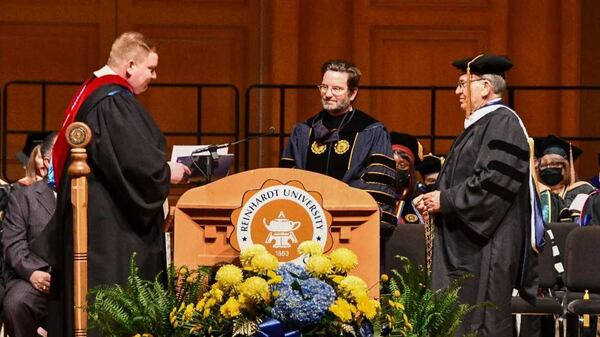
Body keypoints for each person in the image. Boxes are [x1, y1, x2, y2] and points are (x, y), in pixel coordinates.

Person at [41, 31, 190, 337]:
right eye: (150, 69)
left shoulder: (93, 91)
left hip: (93, 215)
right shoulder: (113, 101)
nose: (154, 76)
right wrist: (165, 172)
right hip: (108, 227)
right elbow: (134, 164)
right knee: (111, 305)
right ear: (130, 65)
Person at [415, 54, 539, 337]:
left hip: (486, 248)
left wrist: (444, 200)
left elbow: (494, 182)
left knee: (480, 322)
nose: (457, 92)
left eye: (463, 84)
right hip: (470, 246)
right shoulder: (482, 124)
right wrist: (435, 198)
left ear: (485, 87)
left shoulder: (502, 123)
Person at [280, 59, 397, 235]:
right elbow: (288, 178)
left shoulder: (371, 131)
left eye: (336, 89)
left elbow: (377, 187)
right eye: (324, 87)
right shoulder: (304, 131)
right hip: (306, 226)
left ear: (352, 93)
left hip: (352, 226)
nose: (327, 94)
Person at [2, 133, 57, 337]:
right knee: (16, 303)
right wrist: (33, 273)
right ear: (46, 162)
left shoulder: (88, 194)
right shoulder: (24, 197)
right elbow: (13, 243)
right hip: (35, 276)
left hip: (78, 276)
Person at [535, 134, 594, 221]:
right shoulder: (537, 193)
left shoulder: (583, 190)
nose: (549, 168)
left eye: (555, 164)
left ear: (566, 168)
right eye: (544, 166)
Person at [389, 132, 423, 224]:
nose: (396, 169)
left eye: (402, 165)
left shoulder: (420, 202)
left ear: (410, 171)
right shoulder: (372, 199)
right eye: (391, 164)